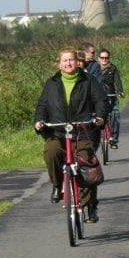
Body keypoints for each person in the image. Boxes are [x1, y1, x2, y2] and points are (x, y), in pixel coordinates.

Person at [34, 49, 108, 223]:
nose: (68, 63)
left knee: (86, 162)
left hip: (83, 130)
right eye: (64, 61)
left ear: (77, 62)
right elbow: (42, 105)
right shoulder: (52, 83)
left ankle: (90, 205)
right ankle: (57, 185)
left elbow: (101, 101)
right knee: (51, 151)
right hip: (58, 132)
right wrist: (39, 121)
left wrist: (100, 117)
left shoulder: (89, 80)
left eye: (71, 60)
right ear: (59, 63)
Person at [98, 48, 124, 149]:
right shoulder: (95, 68)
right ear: (99, 58)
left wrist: (120, 91)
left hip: (111, 96)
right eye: (102, 58)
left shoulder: (113, 68)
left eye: (106, 58)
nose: (104, 60)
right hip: (99, 98)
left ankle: (113, 139)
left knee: (115, 115)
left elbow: (117, 80)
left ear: (109, 58)